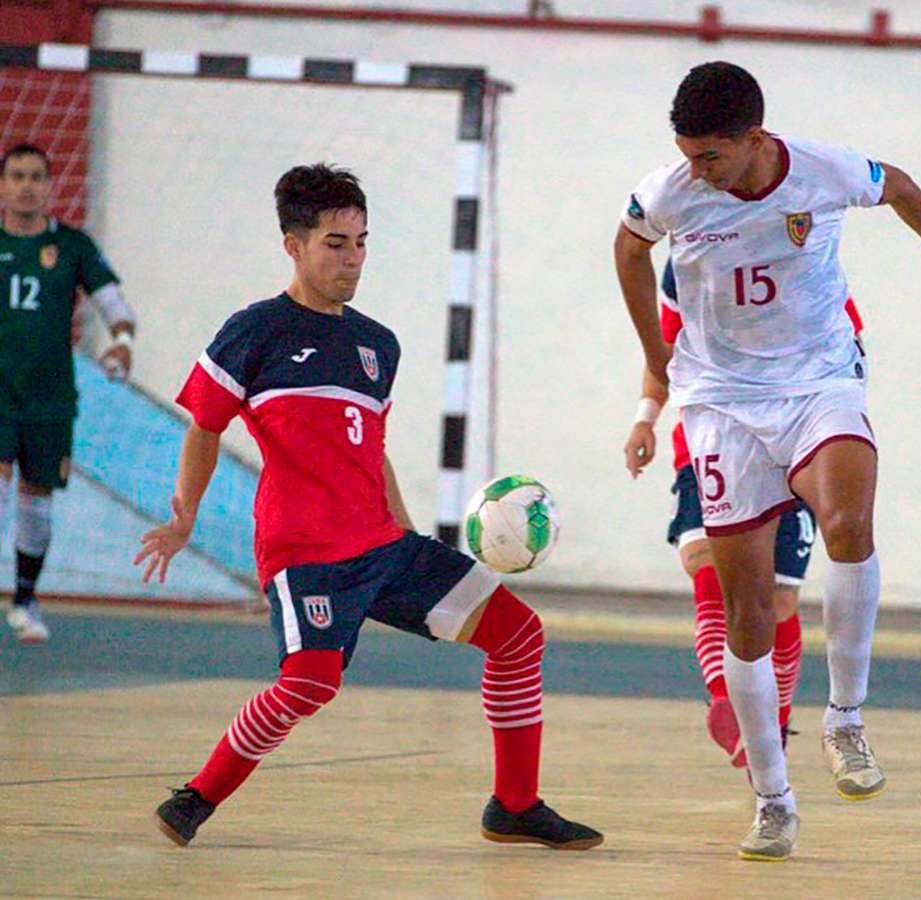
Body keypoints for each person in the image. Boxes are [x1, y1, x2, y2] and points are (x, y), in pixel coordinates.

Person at [138, 163, 602, 851]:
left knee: (517, 635)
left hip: (382, 543)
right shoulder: (254, 331)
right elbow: (205, 426)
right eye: (335, 243)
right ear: (293, 245)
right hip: (305, 555)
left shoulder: (377, 345)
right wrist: (185, 517)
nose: (352, 258)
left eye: (361, 241)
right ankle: (199, 794)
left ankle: (515, 804)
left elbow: (370, 448)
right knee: (310, 684)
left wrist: (408, 534)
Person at [614, 62, 921, 861]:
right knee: (750, 615)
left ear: (754, 139)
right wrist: (658, 359)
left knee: (848, 520)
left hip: (818, 378)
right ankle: (773, 799)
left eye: (711, 156)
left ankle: (847, 719)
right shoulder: (670, 193)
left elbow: (898, 186)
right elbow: (625, 251)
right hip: (721, 403)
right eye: (687, 154)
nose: (698, 170)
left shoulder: (822, 170)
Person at [623, 260, 866, 770]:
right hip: (711, 437)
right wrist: (645, 418)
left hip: (792, 439)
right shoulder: (687, 263)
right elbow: (664, 353)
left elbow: (849, 344)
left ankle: (771, 723)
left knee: (777, 599)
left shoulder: (807, 255)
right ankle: (726, 702)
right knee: (708, 564)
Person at [0, 143, 137, 644]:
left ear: (50, 186)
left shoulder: (73, 246)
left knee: (36, 500)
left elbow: (115, 305)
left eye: (36, 176)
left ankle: (25, 600)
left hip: (50, 396)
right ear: (2, 185)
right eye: (16, 176)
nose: (26, 185)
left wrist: (121, 342)